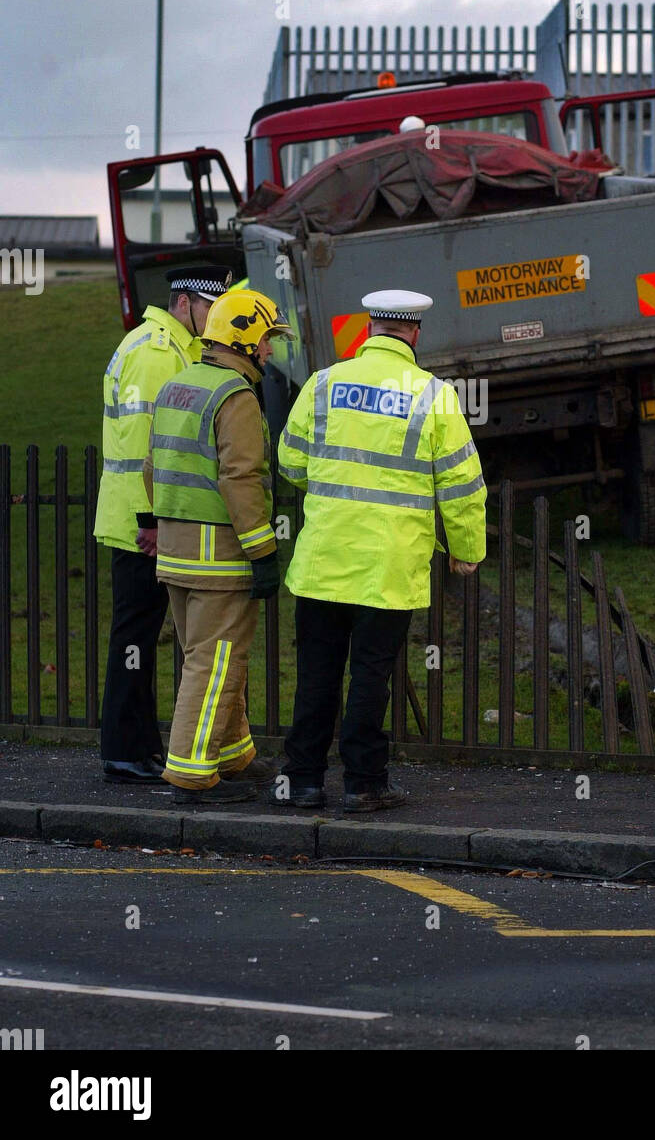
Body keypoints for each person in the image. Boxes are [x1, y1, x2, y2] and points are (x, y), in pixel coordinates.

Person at [275, 288, 487, 813]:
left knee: (317, 673)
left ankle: (302, 780)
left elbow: (289, 461)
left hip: (324, 559)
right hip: (388, 566)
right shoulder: (434, 396)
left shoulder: (323, 384)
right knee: (372, 672)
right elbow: (461, 483)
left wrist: (333, 491)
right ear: (414, 333)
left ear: (368, 330)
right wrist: (465, 549)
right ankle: (363, 782)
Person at [137, 286, 294, 805]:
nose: (270, 351)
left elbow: (150, 467)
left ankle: (234, 754)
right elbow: (241, 480)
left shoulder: (178, 385)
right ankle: (191, 774)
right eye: (267, 339)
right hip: (220, 557)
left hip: (178, 554)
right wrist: (263, 552)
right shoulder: (236, 397)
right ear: (244, 339)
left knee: (208, 656)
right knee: (216, 660)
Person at [94, 264, 232, 784]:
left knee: (142, 637)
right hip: (140, 524)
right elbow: (140, 445)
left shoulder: (167, 345)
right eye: (210, 309)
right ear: (185, 304)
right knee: (133, 637)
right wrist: (149, 521)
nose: (215, 319)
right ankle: (124, 751)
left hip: (141, 519)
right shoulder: (156, 352)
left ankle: (140, 747)